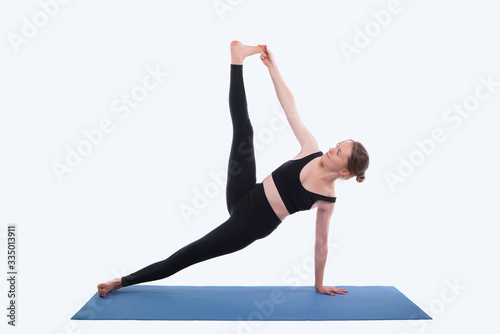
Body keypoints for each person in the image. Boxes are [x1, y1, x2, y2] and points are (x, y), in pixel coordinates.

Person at [97, 40, 369, 298]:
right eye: (336, 145)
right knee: (244, 130)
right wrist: (272, 67)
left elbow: (321, 244)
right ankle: (237, 58)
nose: (332, 149)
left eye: (338, 152)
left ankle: (119, 282)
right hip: (244, 192)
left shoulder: (326, 199)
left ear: (344, 171)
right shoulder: (311, 148)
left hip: (248, 226)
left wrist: (319, 284)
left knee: (188, 254)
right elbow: (290, 108)